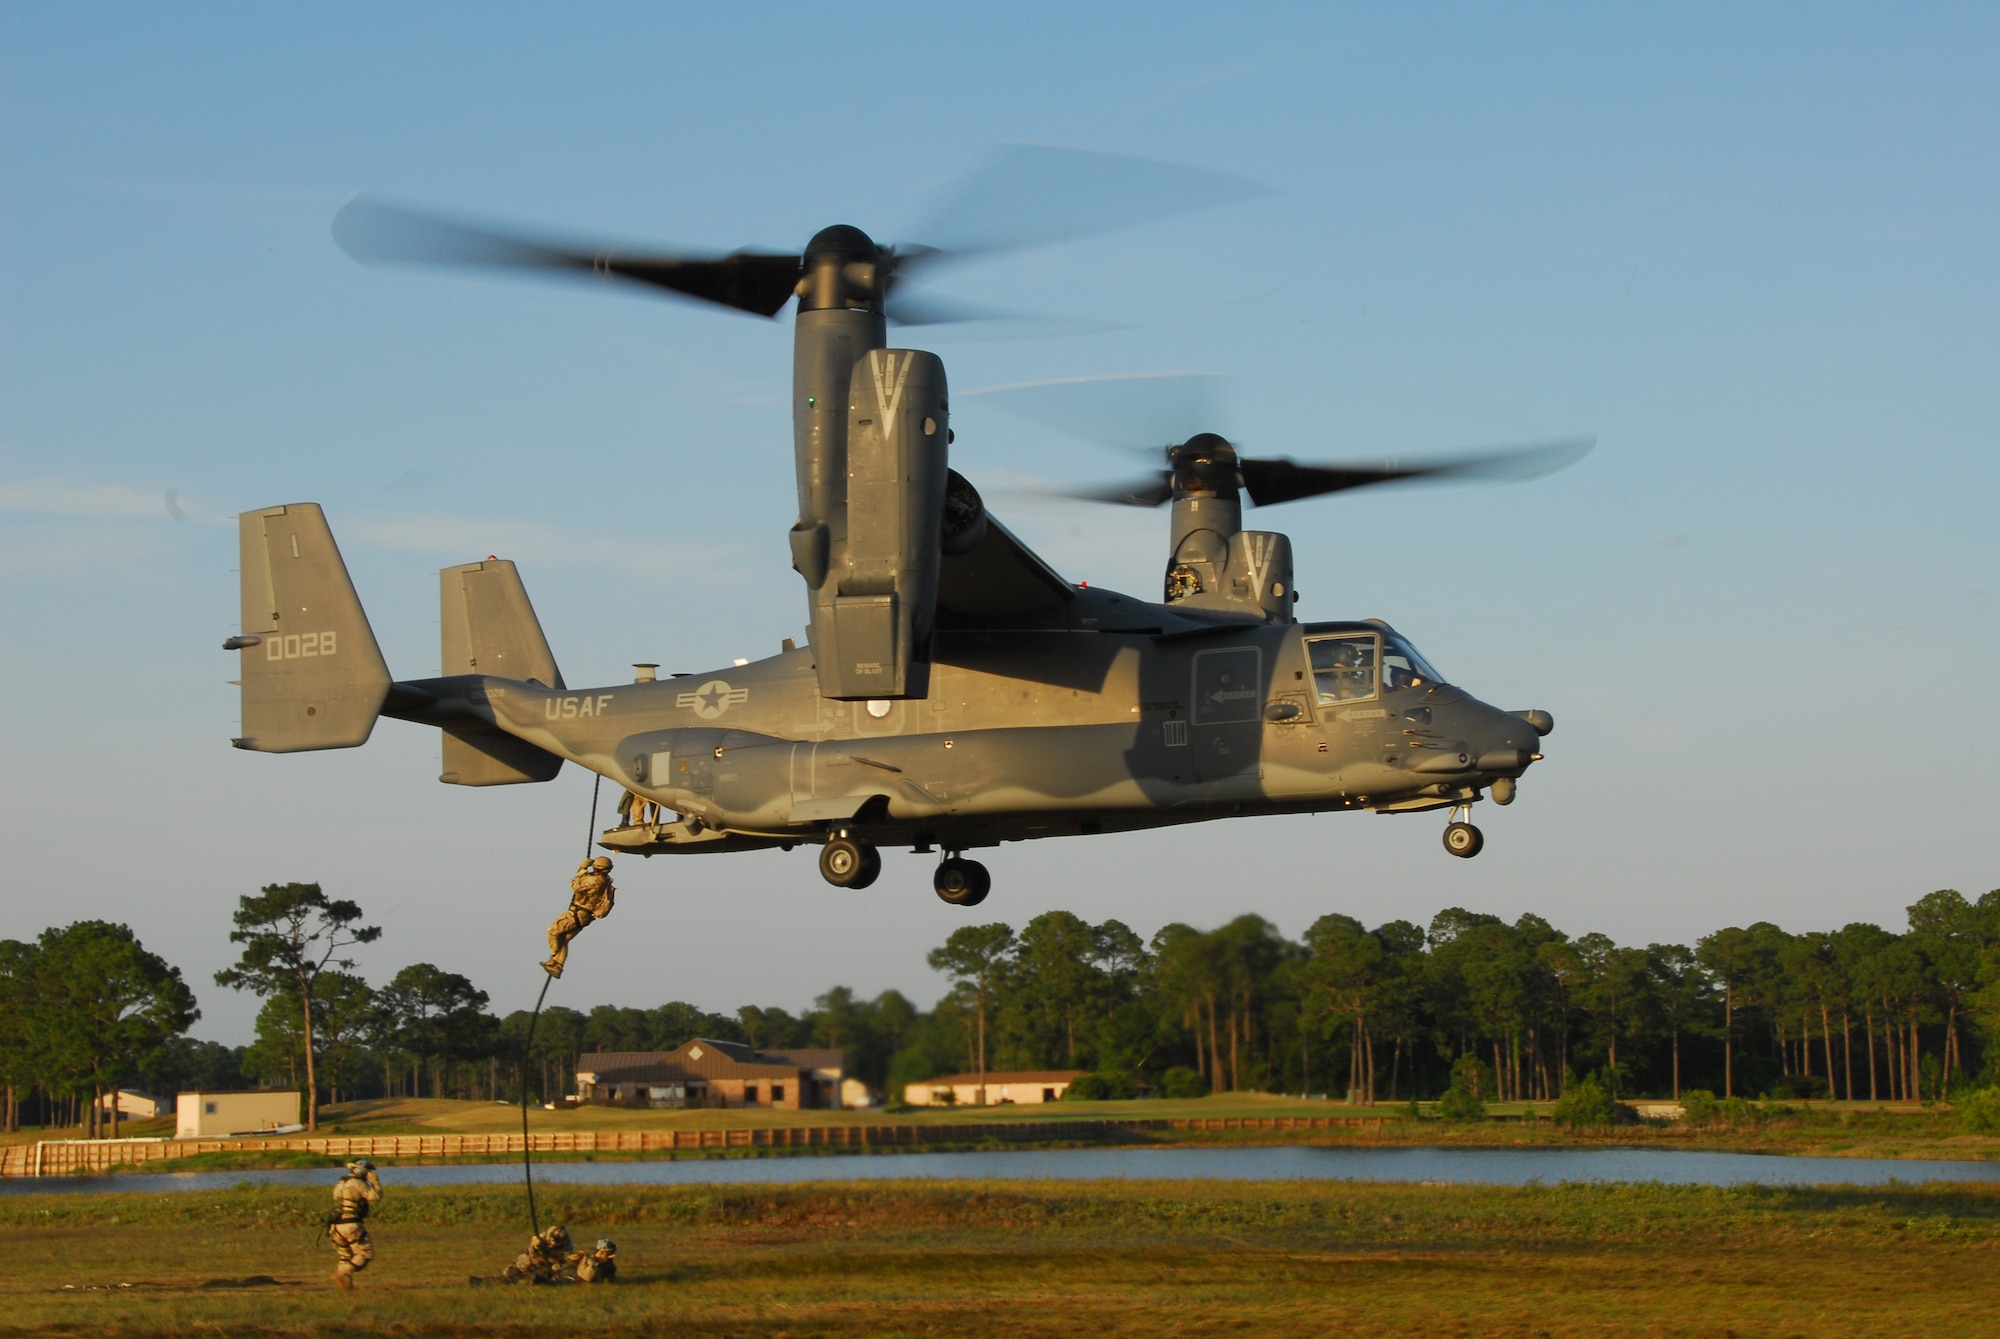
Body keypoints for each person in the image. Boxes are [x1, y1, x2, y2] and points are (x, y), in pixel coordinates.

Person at [542, 857, 615, 979]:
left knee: (553, 932)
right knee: (564, 939)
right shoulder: (605, 881)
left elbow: (575, 885)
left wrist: (582, 868)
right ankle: (557, 965)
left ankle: (555, 957)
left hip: (577, 913)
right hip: (584, 916)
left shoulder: (595, 881)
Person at [327, 1159, 382, 1290]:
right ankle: (341, 1275)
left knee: (345, 1256)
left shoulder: (341, 1183)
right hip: (351, 1224)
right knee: (366, 1254)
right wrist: (375, 1182)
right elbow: (375, 1197)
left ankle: (346, 1286)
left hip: (335, 1226)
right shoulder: (357, 1183)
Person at [502, 1224, 574, 1284]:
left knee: (558, 1272)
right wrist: (536, 1247)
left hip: (552, 1265)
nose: (553, 1244)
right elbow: (531, 1253)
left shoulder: (567, 1245)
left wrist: (554, 1262)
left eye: (556, 1243)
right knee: (524, 1261)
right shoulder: (542, 1237)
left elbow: (566, 1258)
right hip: (536, 1261)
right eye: (552, 1241)